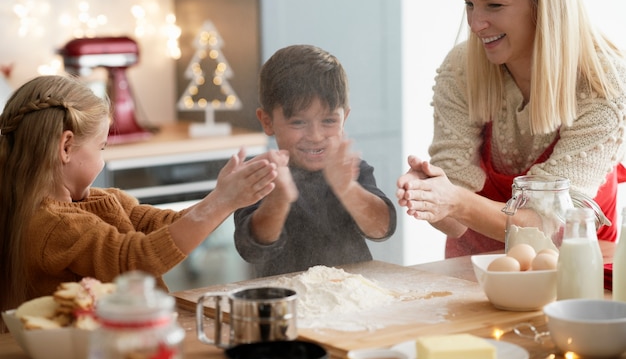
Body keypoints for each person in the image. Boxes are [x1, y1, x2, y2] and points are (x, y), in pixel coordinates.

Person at [396, 0, 626, 258]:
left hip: (577, 275)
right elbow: (455, 220)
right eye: (469, 4)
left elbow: (550, 227)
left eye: (494, 5)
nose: (476, 24)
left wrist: (456, 201)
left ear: (543, 2)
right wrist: (430, 195)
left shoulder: (603, 83)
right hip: (474, 273)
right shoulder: (461, 69)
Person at [0, 75, 278, 323]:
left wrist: (221, 197)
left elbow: (165, 225)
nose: (101, 158)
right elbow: (136, 260)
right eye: (101, 147)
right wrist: (222, 202)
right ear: (66, 147)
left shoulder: (104, 202)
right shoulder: (50, 226)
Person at [234, 44, 397, 277]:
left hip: (349, 294)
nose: (315, 136)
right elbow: (253, 249)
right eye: (298, 123)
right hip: (283, 300)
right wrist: (278, 200)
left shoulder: (350, 169)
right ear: (267, 121)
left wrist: (348, 189)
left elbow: (382, 228)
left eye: (329, 121)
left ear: (345, 118)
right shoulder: (259, 175)